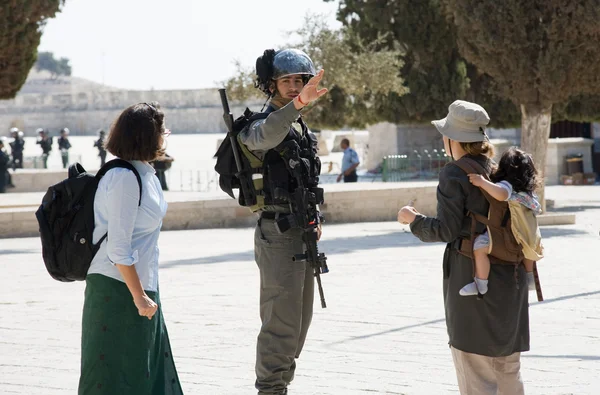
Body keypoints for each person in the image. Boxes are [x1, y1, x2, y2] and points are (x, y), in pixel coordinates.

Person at [398, 100, 529, 395]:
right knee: (508, 368)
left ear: (452, 139)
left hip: (471, 276)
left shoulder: (453, 174)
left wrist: (413, 220)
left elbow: (445, 229)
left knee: (476, 371)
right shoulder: (501, 171)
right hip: (511, 277)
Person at [78, 102, 184, 395]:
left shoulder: (146, 174)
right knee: (114, 376)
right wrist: (138, 297)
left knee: (144, 371)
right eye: (162, 130)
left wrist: (145, 293)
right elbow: (118, 247)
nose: (166, 134)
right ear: (147, 135)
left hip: (142, 285)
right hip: (117, 288)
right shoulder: (123, 177)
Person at [240, 48, 328, 395]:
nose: (295, 87)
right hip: (277, 235)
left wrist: (316, 217)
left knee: (299, 326)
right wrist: (297, 105)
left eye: (300, 81)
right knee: (281, 325)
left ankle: (280, 385)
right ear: (271, 85)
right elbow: (266, 137)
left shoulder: (299, 127)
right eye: (287, 81)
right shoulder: (259, 125)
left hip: (302, 233)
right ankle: (270, 389)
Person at [459, 147, 544, 297]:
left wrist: (482, 182)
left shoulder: (507, 185)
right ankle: (529, 277)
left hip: (509, 236)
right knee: (528, 250)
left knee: (479, 247)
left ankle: (481, 283)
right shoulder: (528, 191)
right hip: (529, 236)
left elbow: (501, 194)